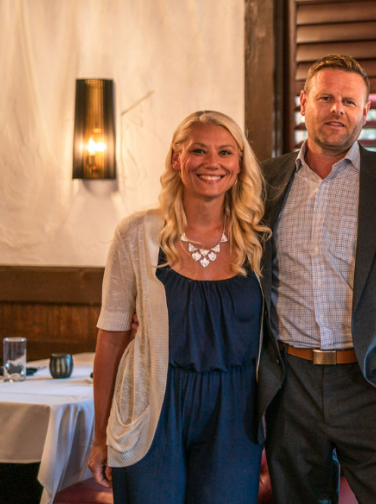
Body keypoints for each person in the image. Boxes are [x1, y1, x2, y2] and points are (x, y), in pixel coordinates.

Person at [256, 54, 376, 504]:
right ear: (303, 103)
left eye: (349, 101)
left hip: (375, 383)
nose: (337, 108)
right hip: (290, 385)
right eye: (326, 97)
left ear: (366, 110)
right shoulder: (261, 181)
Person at [89, 110, 273, 504]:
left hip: (235, 411)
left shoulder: (260, 241)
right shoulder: (137, 235)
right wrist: (99, 436)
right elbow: (110, 338)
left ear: (239, 164)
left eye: (225, 152)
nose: (212, 162)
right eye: (198, 150)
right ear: (177, 158)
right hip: (153, 404)